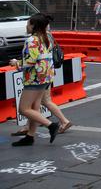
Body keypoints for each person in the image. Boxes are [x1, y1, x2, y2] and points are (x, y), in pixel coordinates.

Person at [9, 13, 60, 146]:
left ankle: (51, 125)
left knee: (24, 109)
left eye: (28, 23)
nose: (26, 26)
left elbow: (30, 62)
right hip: (46, 77)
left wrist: (16, 63)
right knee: (34, 107)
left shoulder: (32, 40)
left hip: (34, 78)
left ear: (34, 26)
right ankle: (30, 136)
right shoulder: (47, 37)